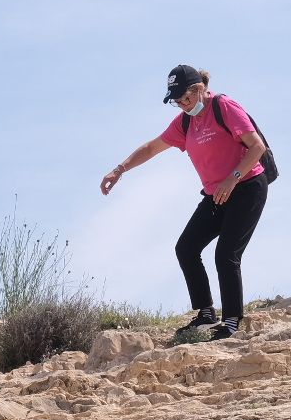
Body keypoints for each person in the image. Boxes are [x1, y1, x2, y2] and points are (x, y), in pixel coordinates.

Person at [99, 64, 269, 340]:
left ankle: (232, 322)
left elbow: (257, 146)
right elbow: (152, 147)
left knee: (226, 255)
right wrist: (119, 170)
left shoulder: (223, 107)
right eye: (177, 101)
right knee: (186, 248)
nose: (182, 104)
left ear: (199, 89)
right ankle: (205, 313)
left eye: (186, 98)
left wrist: (233, 178)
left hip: (248, 186)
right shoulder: (185, 122)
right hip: (217, 194)